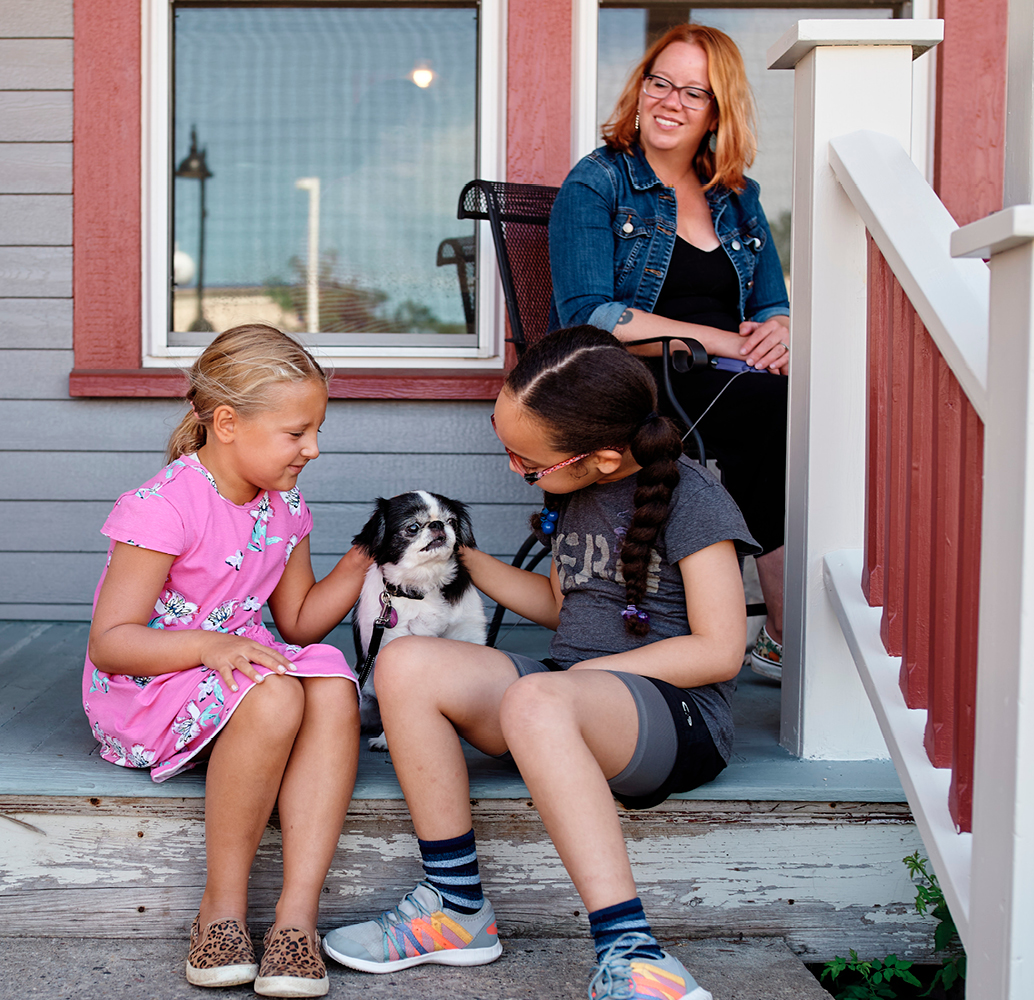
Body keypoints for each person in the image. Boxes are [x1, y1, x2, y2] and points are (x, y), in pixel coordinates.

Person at [323, 327, 759, 1000]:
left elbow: (721, 649)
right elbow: (562, 607)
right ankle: (455, 907)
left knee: (540, 696)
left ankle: (633, 954)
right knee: (404, 663)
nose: (512, 468)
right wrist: (459, 560)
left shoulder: (696, 499)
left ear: (605, 458)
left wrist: (581, 682)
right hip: (562, 700)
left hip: (672, 719)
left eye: (525, 461)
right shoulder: (575, 490)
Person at [83, 325, 371, 998]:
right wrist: (211, 646)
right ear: (228, 422)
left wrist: (361, 560)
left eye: (317, 430)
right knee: (274, 693)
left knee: (330, 684)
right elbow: (112, 641)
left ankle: (297, 920)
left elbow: (297, 619)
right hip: (149, 686)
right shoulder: (163, 507)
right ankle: (221, 911)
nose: (314, 449)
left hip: (239, 664)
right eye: (297, 433)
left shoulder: (285, 504)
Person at [549, 24, 790, 681]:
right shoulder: (598, 183)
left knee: (800, 406)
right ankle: (782, 630)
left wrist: (780, 332)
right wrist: (720, 340)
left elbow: (770, 302)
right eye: (661, 82)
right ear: (640, 88)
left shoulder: (736, 197)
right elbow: (588, 315)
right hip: (631, 379)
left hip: (726, 380)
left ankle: (778, 630)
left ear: (718, 110)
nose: (671, 101)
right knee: (777, 409)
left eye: (694, 91)